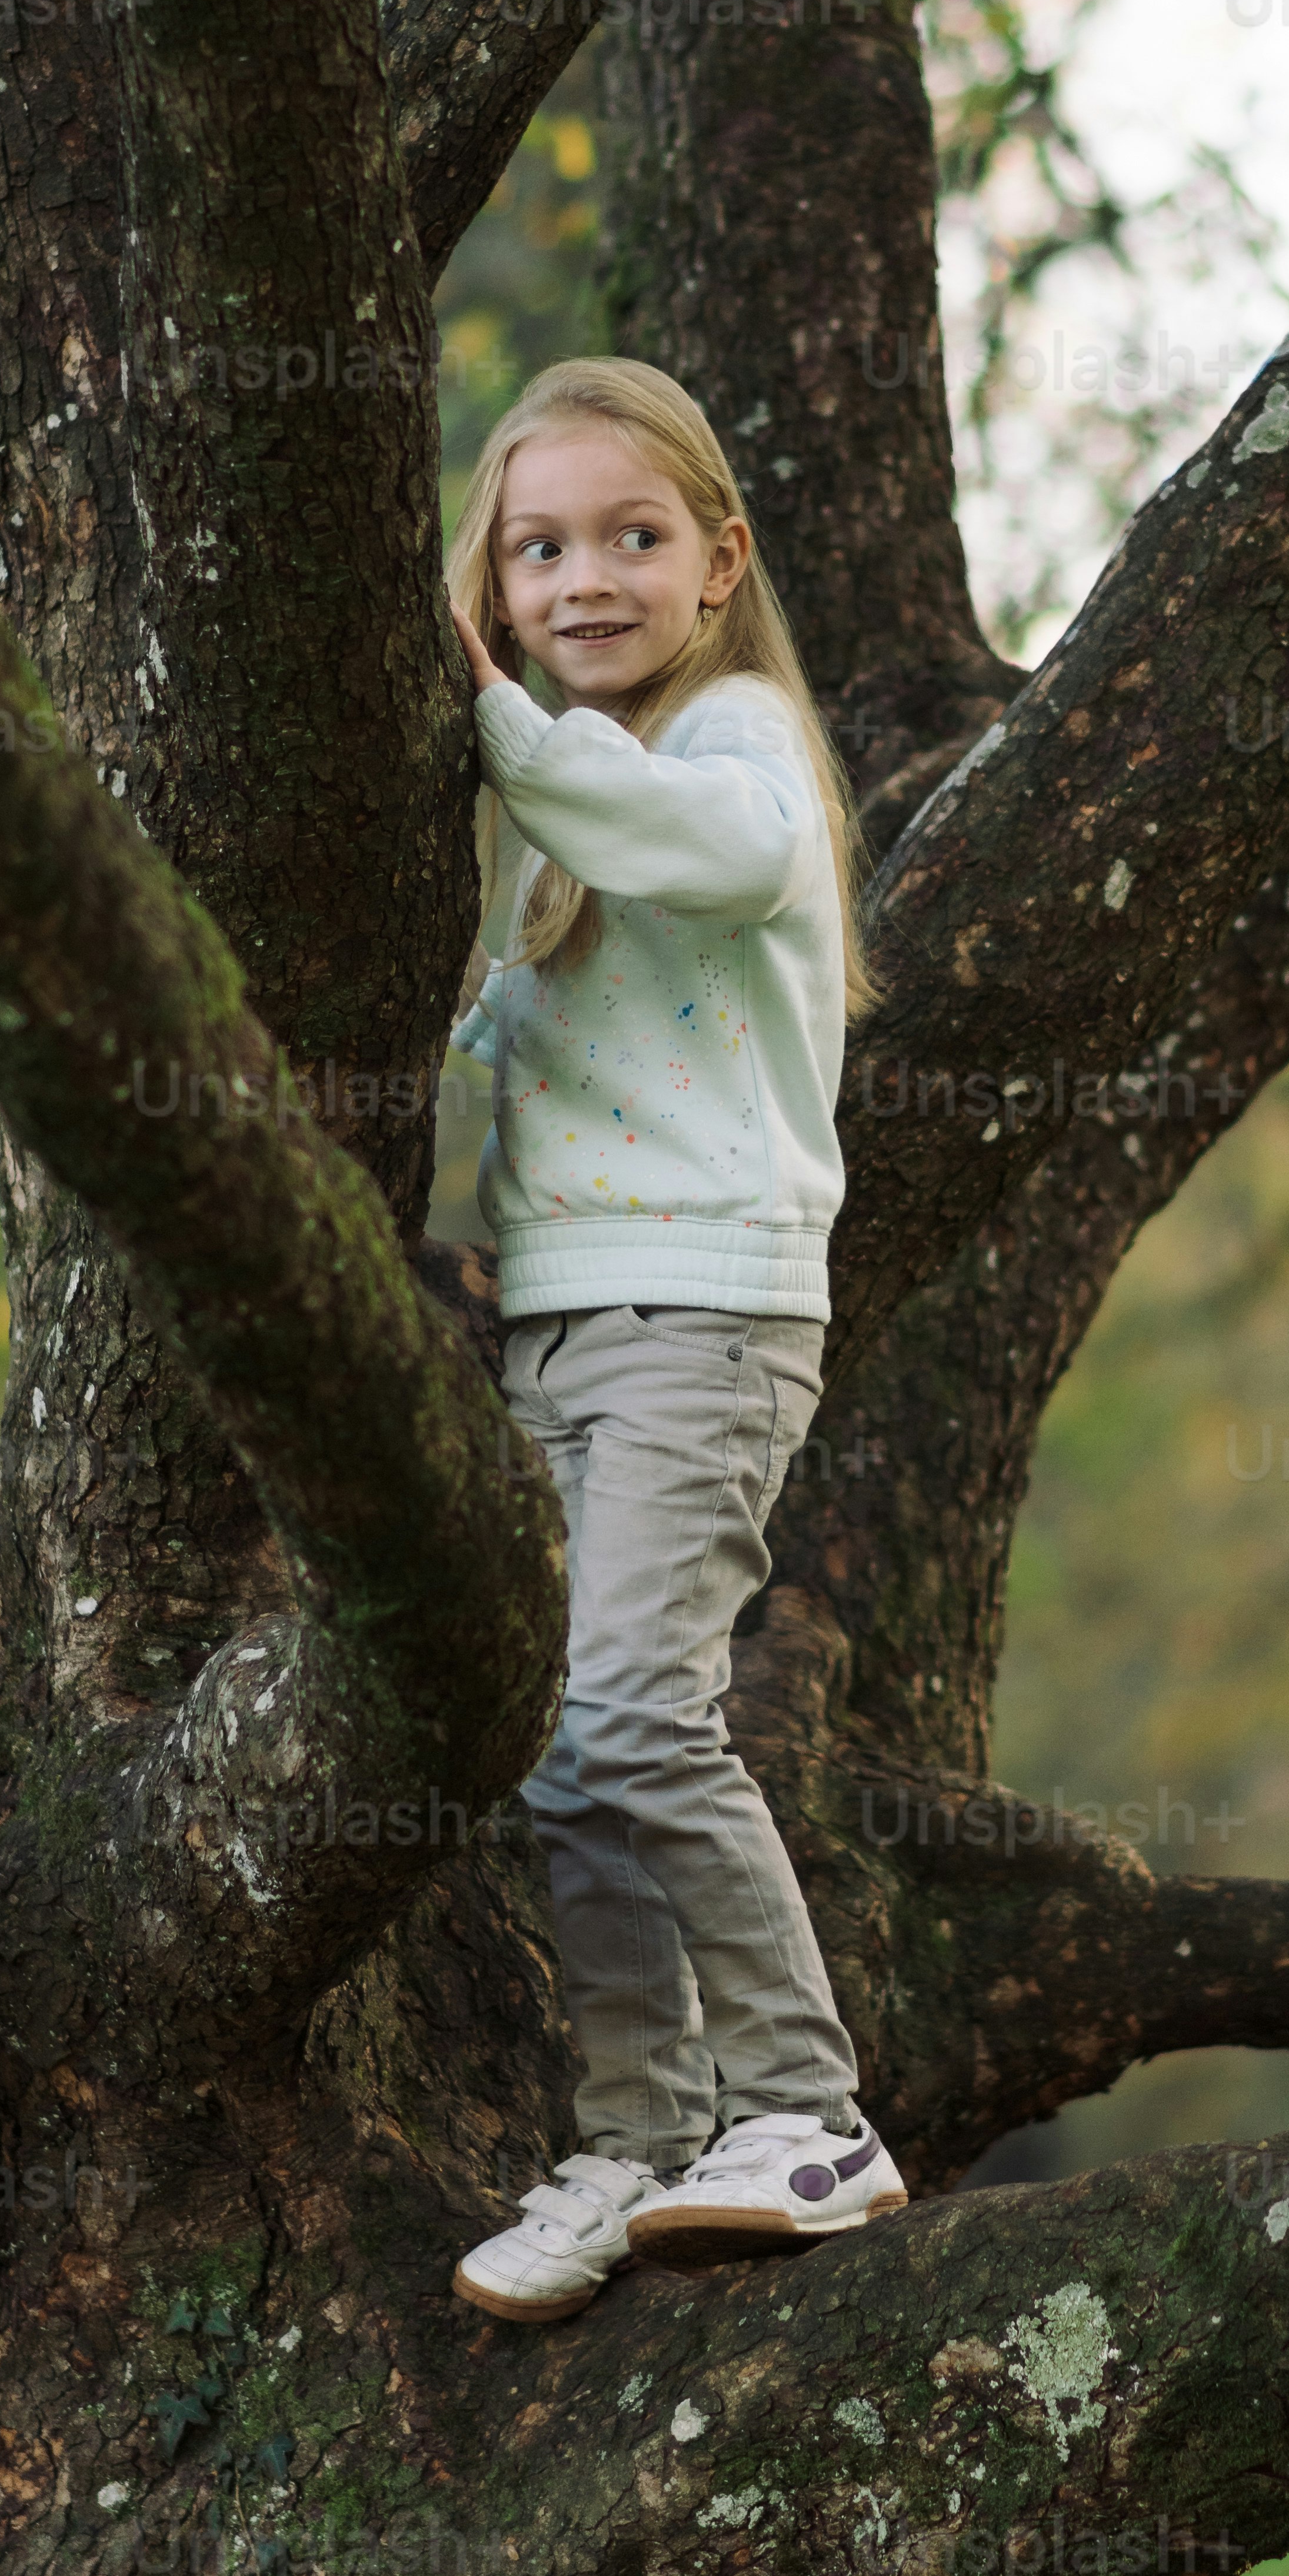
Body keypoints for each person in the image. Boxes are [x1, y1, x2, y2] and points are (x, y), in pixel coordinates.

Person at [440, 355, 907, 2323]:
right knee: (563, 1754)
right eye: (539, 549)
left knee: (638, 1714)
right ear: (495, 579)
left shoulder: (730, 751)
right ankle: (638, 2139)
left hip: (701, 1320)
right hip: (564, 1323)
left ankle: (811, 2112)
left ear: (718, 561)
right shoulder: (571, 800)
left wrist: (479, 711)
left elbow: (710, 862)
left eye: (633, 538)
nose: (585, 580)